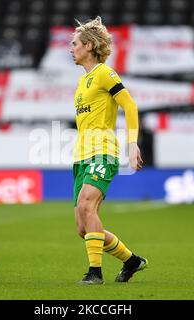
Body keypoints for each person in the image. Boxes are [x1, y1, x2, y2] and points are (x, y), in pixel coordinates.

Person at [70, 16, 148, 284]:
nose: (71, 48)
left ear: (90, 46)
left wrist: (132, 143)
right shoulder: (82, 83)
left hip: (103, 153)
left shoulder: (104, 73)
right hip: (81, 157)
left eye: (75, 43)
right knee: (84, 226)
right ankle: (132, 261)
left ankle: (94, 273)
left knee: (86, 204)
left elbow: (130, 105)